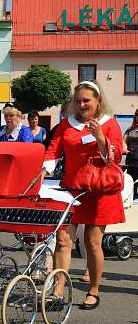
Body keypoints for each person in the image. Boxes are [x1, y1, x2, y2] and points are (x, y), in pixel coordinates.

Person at [45, 80, 125, 310]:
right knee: (62, 240)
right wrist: (43, 169)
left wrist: (100, 136)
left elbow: (115, 157)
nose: (81, 104)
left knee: (92, 242)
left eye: (86, 100)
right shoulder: (65, 125)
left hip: (99, 191)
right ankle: (58, 291)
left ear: (98, 101)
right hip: (71, 189)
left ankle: (94, 290)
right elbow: (53, 150)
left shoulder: (109, 124)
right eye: (77, 100)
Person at [123, 108, 138, 183]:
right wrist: (125, 149)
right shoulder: (130, 130)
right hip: (131, 162)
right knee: (131, 183)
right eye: (137, 115)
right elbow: (123, 142)